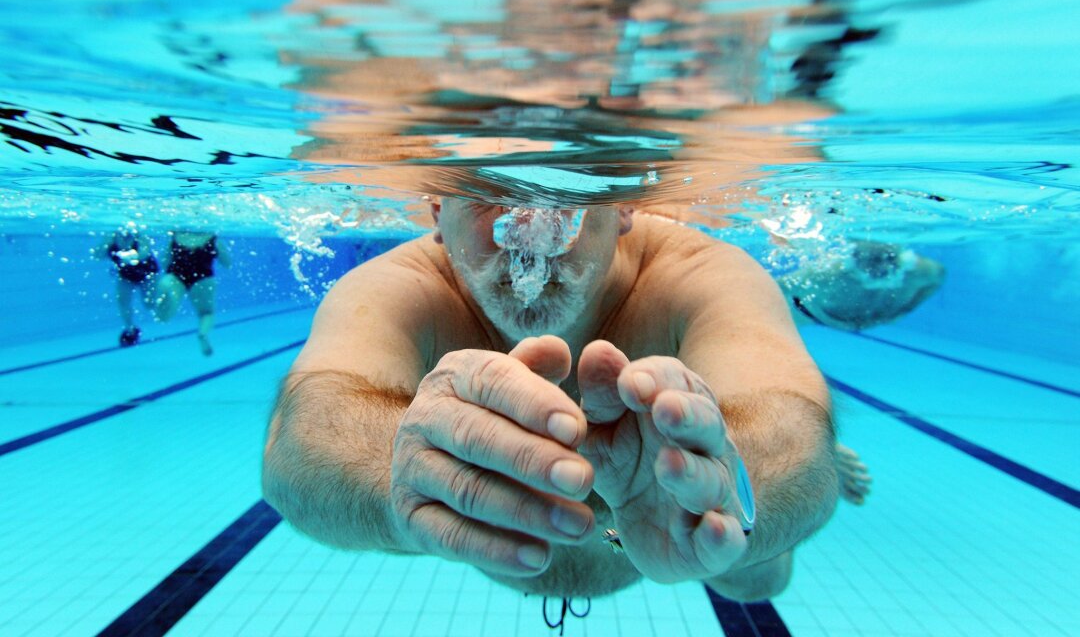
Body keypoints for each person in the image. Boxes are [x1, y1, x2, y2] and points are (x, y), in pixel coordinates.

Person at [263, 200, 842, 604]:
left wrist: (718, 493)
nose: (528, 231)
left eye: (566, 192)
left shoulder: (693, 273)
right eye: (488, 192)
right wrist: (403, 478)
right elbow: (306, 434)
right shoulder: (405, 286)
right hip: (577, 557)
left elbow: (790, 427)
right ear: (438, 210)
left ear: (621, 205)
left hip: (674, 555)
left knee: (754, 580)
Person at [779, 240, 946, 332]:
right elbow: (779, 285)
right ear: (854, 255)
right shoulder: (828, 272)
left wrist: (903, 311)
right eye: (872, 260)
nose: (880, 267)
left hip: (864, 318)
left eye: (888, 258)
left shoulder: (922, 271)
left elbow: (938, 278)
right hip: (815, 315)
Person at [154, 230, 231, 356]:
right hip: (203, 276)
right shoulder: (212, 237)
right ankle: (203, 333)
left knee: (163, 316)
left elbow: (164, 262)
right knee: (206, 312)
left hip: (177, 275)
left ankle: (169, 294)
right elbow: (227, 263)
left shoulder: (176, 235)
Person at [93, 223, 161, 347]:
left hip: (147, 272)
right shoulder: (111, 237)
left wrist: (131, 256)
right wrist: (105, 244)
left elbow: (144, 253)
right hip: (126, 273)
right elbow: (97, 255)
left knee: (149, 304)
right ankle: (130, 330)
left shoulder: (140, 235)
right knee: (122, 301)